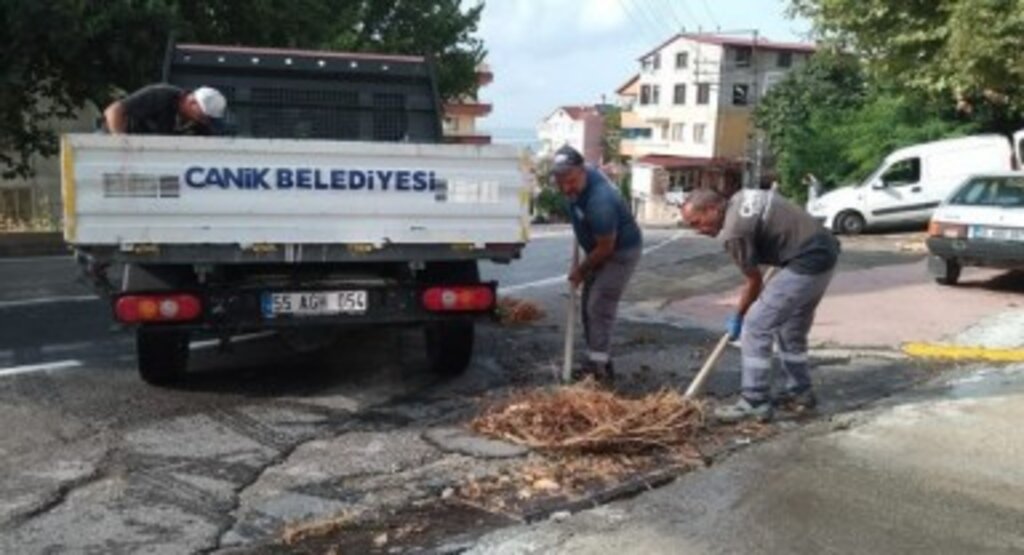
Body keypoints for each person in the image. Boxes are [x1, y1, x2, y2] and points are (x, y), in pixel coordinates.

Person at [681, 187, 840, 422]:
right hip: (825, 250)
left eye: (697, 222)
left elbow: (754, 282)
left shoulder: (734, 232)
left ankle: (754, 401)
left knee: (756, 326)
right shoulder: (741, 196)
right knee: (790, 330)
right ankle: (800, 393)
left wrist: (739, 316)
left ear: (713, 209)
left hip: (806, 260)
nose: (698, 231)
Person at [551, 145, 643, 383]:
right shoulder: (581, 177)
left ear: (582, 171)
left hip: (620, 253)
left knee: (598, 306)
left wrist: (581, 270)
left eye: (570, 181)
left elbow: (606, 248)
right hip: (599, 250)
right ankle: (598, 359)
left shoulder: (600, 200)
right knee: (587, 307)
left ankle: (600, 371)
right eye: (559, 181)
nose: (565, 187)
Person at [103, 84, 226, 135]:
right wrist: (121, 147)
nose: (204, 121)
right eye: (202, 116)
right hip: (108, 145)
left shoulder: (200, 124)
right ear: (192, 102)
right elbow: (113, 111)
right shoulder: (161, 95)